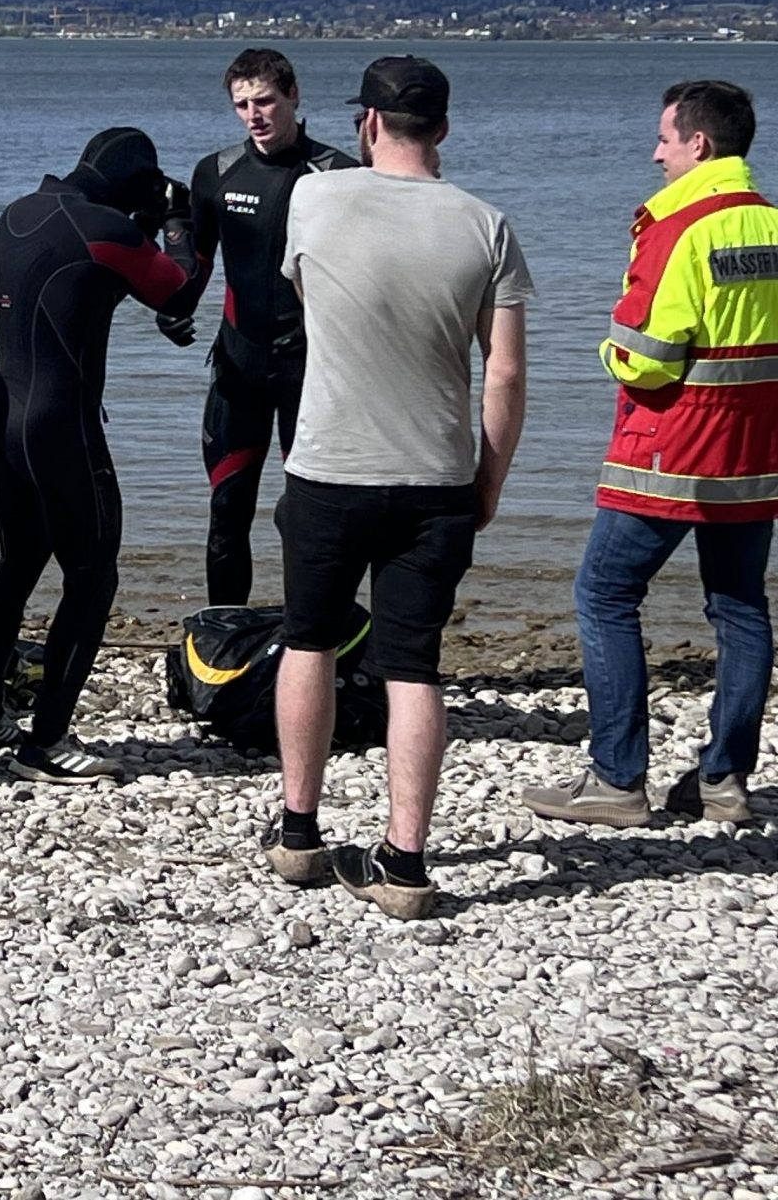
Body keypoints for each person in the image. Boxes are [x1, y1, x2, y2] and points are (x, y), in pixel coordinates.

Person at [263, 56, 533, 919]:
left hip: (330, 466)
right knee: (414, 665)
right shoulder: (487, 225)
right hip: (436, 476)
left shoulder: (313, 197)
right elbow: (505, 376)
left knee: (309, 642)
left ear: (368, 123)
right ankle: (405, 860)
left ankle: (299, 832)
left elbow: (302, 290)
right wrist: (490, 479)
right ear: (443, 128)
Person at [523, 80, 778, 831]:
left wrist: (607, 352)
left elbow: (648, 357)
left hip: (674, 446)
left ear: (699, 144)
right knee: (740, 604)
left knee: (604, 592)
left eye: (664, 138)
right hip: (762, 451)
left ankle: (616, 777)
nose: (655, 153)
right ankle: (724, 779)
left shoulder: (679, 227)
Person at [0, 128, 207, 783]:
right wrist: (178, 220)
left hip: (2, 414)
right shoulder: (104, 229)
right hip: (62, 427)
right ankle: (47, 743)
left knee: (18, 562)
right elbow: (177, 288)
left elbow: (78, 288)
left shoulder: (19, 213)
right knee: (93, 576)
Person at [164, 48, 355, 605]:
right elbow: (196, 261)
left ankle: (311, 634)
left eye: (265, 101)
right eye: (242, 105)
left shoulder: (341, 175)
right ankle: (223, 630)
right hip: (239, 367)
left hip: (311, 372)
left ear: (294, 95)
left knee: (307, 515)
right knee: (228, 509)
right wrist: (172, 304)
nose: (254, 115)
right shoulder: (216, 172)